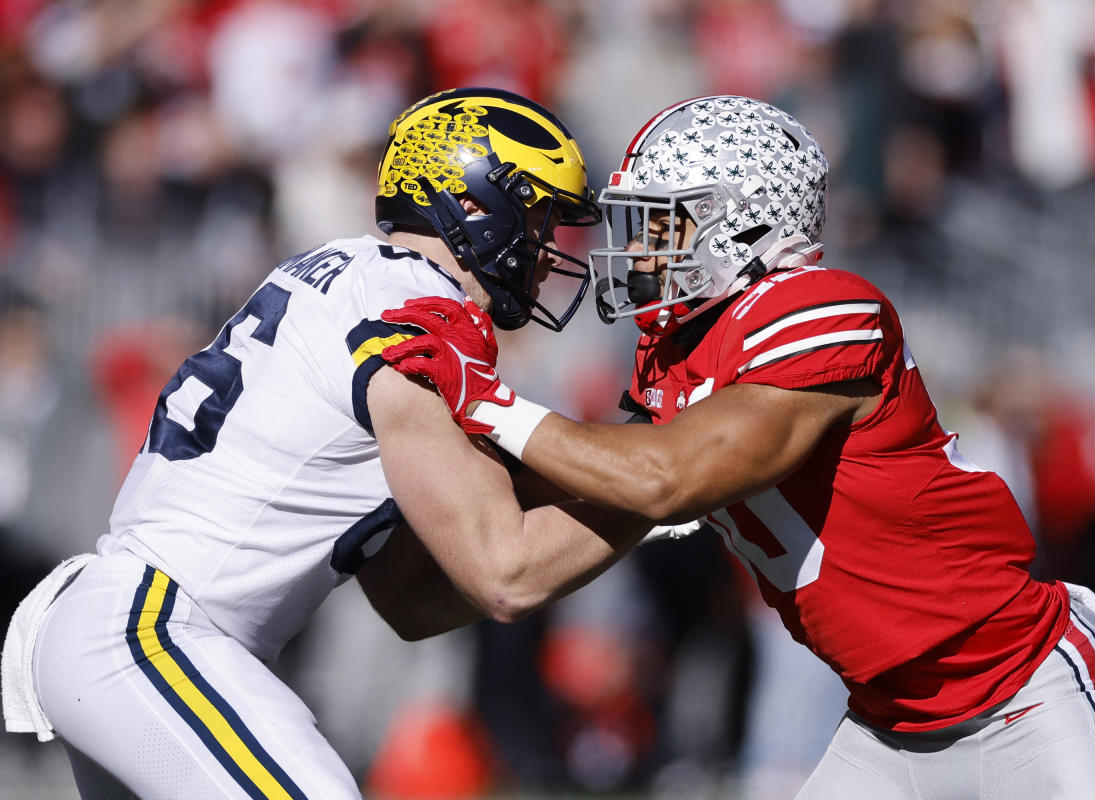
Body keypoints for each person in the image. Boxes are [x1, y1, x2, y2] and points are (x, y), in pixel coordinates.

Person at [382, 95, 1095, 799]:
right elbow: (570, 518)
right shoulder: (677, 354)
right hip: (888, 724)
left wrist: (485, 399)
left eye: (663, 225)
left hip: (1024, 691)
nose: (638, 252)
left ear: (744, 224)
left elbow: (666, 480)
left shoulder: (823, 311)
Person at [0, 87, 656, 800]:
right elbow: (508, 573)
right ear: (472, 202)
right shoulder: (420, 310)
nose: (545, 242)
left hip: (136, 627)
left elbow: (409, 600)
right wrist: (660, 489)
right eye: (535, 213)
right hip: (160, 631)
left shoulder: (345, 272)